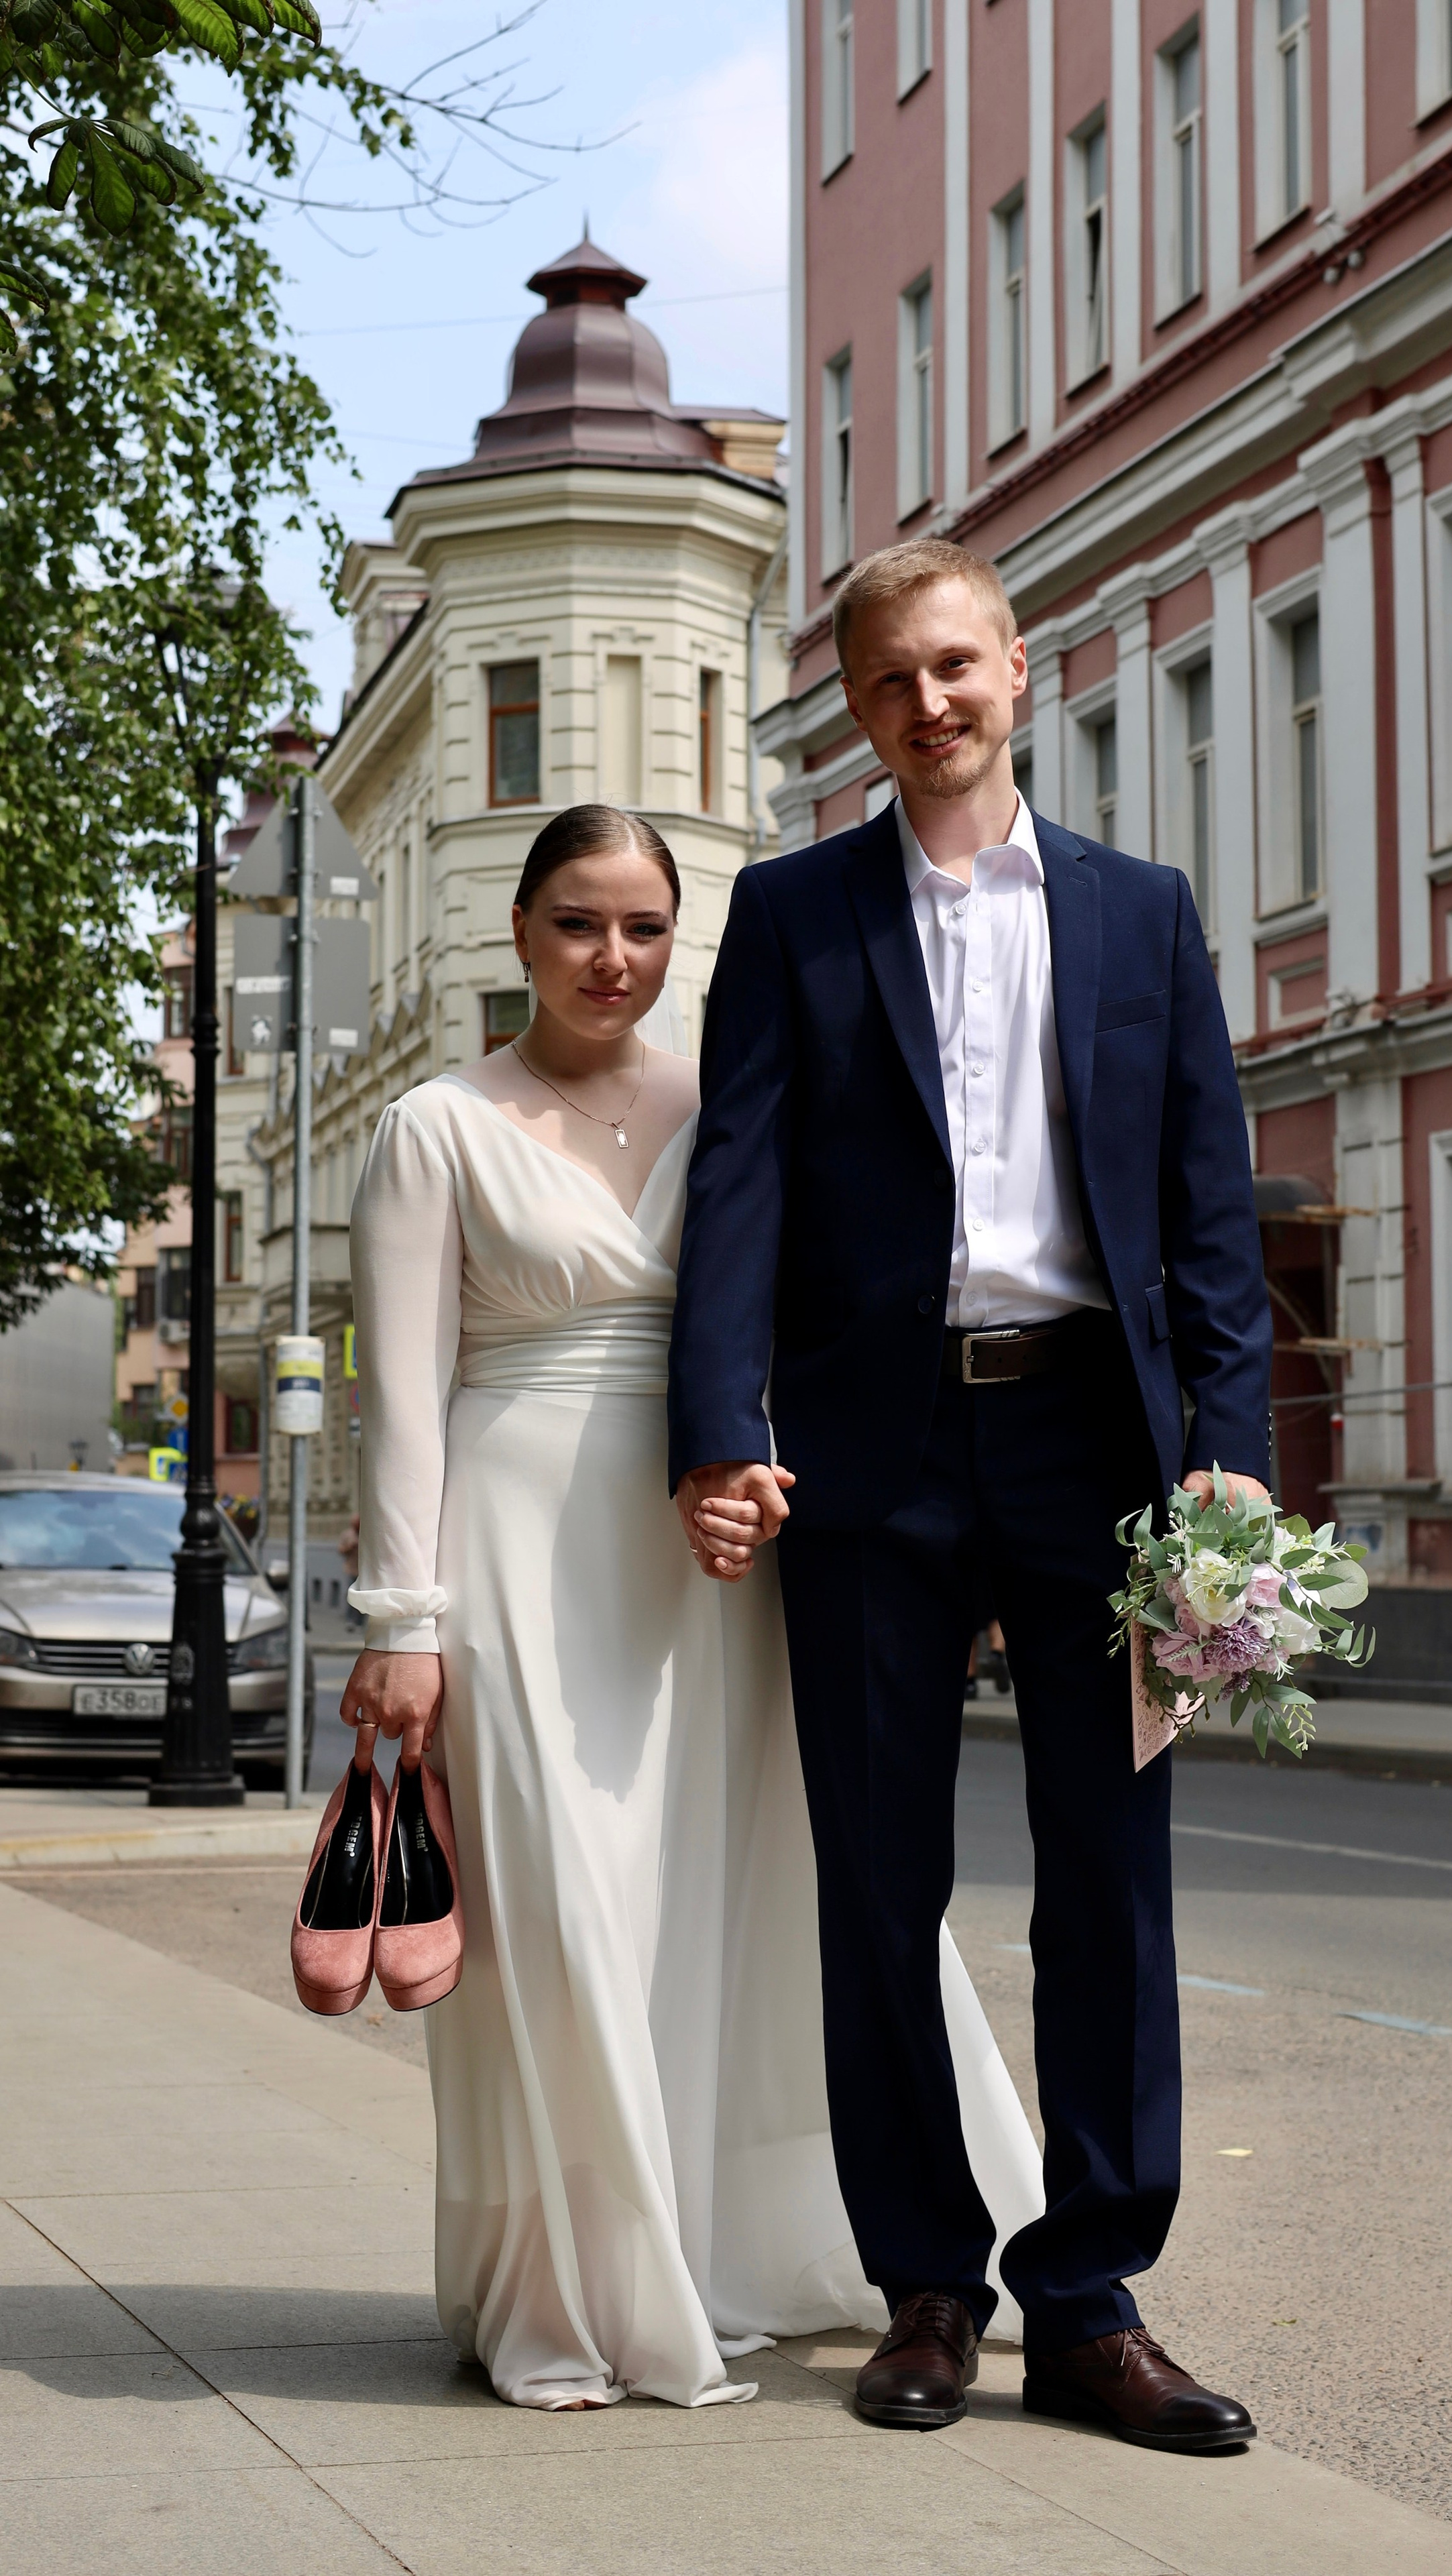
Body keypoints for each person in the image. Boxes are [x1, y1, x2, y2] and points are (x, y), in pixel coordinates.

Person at [669, 538, 1272, 2447]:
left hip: (1100, 1442)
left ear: (1018, 667)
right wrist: (720, 1426)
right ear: (854, 711)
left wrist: (1229, 1466)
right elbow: (739, 1186)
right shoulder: (794, 913)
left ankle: (1088, 2296)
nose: (926, 704)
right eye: (885, 682)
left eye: (953, 666)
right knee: (880, 1882)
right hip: (870, 1453)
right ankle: (926, 2281)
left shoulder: (1140, 914)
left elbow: (1207, 1213)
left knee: (1110, 1884)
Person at [337, 802, 1041, 2413]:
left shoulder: (737, 1096)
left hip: (717, 1554)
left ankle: (726, 2247)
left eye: (645, 927)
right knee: (566, 1916)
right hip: (517, 1550)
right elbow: (406, 1399)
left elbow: (816, 1315)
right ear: (519, 932)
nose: (613, 957)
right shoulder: (432, 1127)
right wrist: (403, 1617)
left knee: (727, 1902)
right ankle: (578, 2284)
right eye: (579, 922)